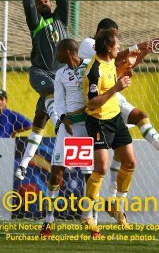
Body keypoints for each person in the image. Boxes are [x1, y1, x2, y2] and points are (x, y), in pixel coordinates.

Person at [78, 18, 159, 200]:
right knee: (89, 167)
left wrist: (144, 51)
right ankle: (79, 213)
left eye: (116, 35)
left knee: (139, 120)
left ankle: (116, 199)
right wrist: (134, 47)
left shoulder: (108, 57)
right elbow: (111, 60)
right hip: (93, 105)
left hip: (112, 98)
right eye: (113, 36)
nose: (116, 39)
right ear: (101, 33)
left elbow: (121, 64)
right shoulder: (88, 44)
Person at [15, 0, 69, 181]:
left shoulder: (61, 19)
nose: (44, 2)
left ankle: (24, 164)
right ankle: (61, 126)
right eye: (40, 2)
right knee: (51, 93)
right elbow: (27, 4)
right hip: (40, 72)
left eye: (46, 0)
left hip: (61, 75)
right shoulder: (36, 24)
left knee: (39, 118)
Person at [81, 30, 138, 236]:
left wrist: (123, 76)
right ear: (107, 46)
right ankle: (87, 214)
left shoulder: (110, 64)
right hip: (98, 121)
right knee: (102, 168)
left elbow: (114, 77)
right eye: (117, 44)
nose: (119, 47)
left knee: (130, 162)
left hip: (114, 118)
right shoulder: (94, 70)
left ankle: (116, 206)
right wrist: (116, 88)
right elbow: (92, 102)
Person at [39, 39, 92, 238]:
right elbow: (59, 101)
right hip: (67, 128)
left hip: (85, 127)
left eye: (59, 52)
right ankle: (48, 220)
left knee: (89, 176)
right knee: (56, 175)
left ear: (69, 52)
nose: (56, 56)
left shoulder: (89, 66)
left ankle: (89, 219)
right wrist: (63, 118)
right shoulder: (60, 74)